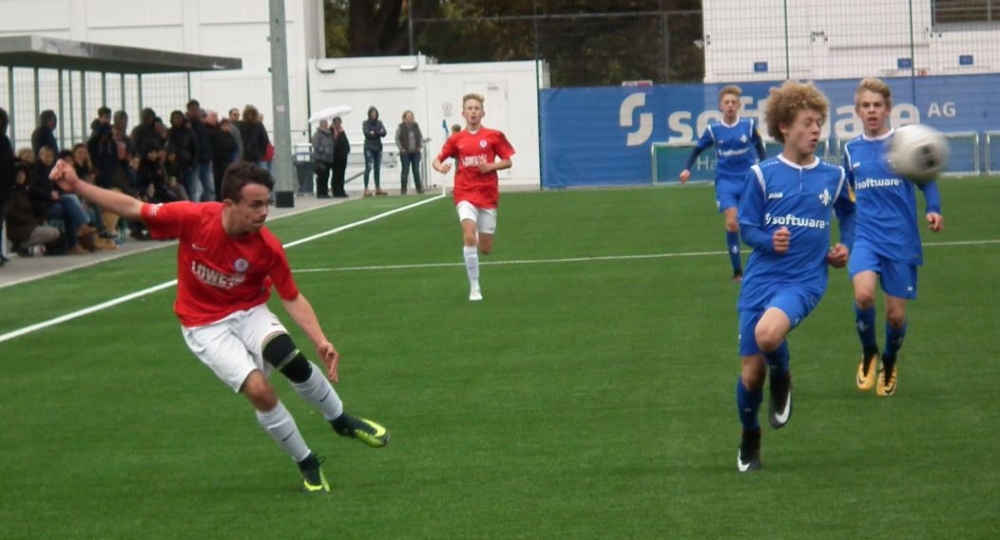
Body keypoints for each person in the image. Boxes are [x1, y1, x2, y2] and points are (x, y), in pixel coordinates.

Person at [49, 159, 390, 492]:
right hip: (204, 325)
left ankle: (341, 420)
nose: (264, 212)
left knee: (289, 357)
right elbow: (133, 208)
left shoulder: (267, 246)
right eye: (255, 205)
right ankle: (307, 461)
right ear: (229, 204)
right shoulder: (193, 218)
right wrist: (77, 185)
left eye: (266, 204)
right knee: (260, 391)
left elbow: (291, 295)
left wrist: (320, 340)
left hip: (249, 310)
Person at [734, 80, 856, 472]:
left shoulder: (834, 176)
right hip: (760, 280)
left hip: (804, 280)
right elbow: (746, 227)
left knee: (768, 335)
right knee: (750, 376)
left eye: (819, 122)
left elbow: (849, 213)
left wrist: (845, 245)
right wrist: (769, 241)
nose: (816, 130)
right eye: (807, 122)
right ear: (785, 126)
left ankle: (782, 373)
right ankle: (750, 436)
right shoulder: (762, 174)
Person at [843, 78, 943, 397]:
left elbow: (927, 180)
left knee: (895, 316)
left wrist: (933, 209)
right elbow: (846, 192)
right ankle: (869, 351)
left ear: (888, 109)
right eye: (865, 105)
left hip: (901, 240)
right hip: (866, 236)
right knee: (863, 296)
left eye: (877, 105)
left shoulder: (904, 144)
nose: (871, 110)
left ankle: (889, 359)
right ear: (857, 111)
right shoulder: (851, 149)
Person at [432, 93, 515, 302]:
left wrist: (491, 166)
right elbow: (437, 160)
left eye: (477, 108)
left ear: (482, 113)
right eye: (469, 108)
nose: (473, 112)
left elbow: (508, 161)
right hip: (464, 193)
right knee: (469, 236)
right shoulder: (456, 139)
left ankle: (475, 238)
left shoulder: (494, 136)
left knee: (485, 248)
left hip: (487, 195)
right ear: (463, 113)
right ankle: (475, 288)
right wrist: (440, 167)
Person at [679, 85, 767, 281]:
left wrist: (766, 167)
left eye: (733, 102)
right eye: (726, 102)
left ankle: (764, 263)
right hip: (726, 181)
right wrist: (687, 168)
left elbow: (760, 147)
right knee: (732, 222)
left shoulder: (749, 125)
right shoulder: (713, 129)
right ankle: (737, 271)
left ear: (739, 105)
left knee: (756, 223)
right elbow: (697, 149)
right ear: (720, 106)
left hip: (748, 180)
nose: (730, 105)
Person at [4, 162, 60, 256]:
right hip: (17, 228)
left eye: (23, 175)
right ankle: (21, 246)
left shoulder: (24, 192)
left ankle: (23, 245)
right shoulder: (11, 193)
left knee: (56, 232)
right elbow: (10, 213)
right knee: (50, 233)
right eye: (19, 174)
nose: (21, 177)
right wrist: (28, 220)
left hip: (29, 225)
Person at [395, 110, 424, 195]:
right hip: (405, 153)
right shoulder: (401, 126)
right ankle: (403, 189)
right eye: (408, 116)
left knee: (416, 170)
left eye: (411, 116)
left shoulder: (416, 126)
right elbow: (397, 138)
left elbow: (420, 136)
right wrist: (401, 148)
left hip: (416, 152)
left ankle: (419, 188)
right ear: (404, 117)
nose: (410, 118)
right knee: (405, 171)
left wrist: (420, 145)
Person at [362, 106, 387, 197]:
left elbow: (384, 133)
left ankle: (378, 187)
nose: (373, 114)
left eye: (375, 113)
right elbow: (367, 133)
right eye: (372, 113)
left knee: (377, 167)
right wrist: (377, 132)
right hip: (369, 147)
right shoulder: (365, 123)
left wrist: (374, 132)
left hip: (378, 147)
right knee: (368, 167)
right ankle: (366, 188)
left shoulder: (379, 122)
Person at [311, 119, 334, 198]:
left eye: (326, 125)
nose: (326, 126)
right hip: (320, 158)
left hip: (328, 159)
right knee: (321, 176)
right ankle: (320, 193)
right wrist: (324, 150)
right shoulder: (317, 134)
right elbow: (315, 145)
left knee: (326, 176)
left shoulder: (329, 134)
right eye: (324, 125)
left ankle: (325, 192)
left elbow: (332, 143)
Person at [331, 117, 350, 198]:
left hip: (343, 156)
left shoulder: (341, 131)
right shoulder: (332, 131)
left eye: (339, 122)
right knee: (336, 174)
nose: (338, 124)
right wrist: (335, 137)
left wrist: (347, 150)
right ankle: (336, 191)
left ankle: (341, 190)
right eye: (337, 122)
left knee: (341, 174)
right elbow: (332, 144)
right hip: (336, 157)